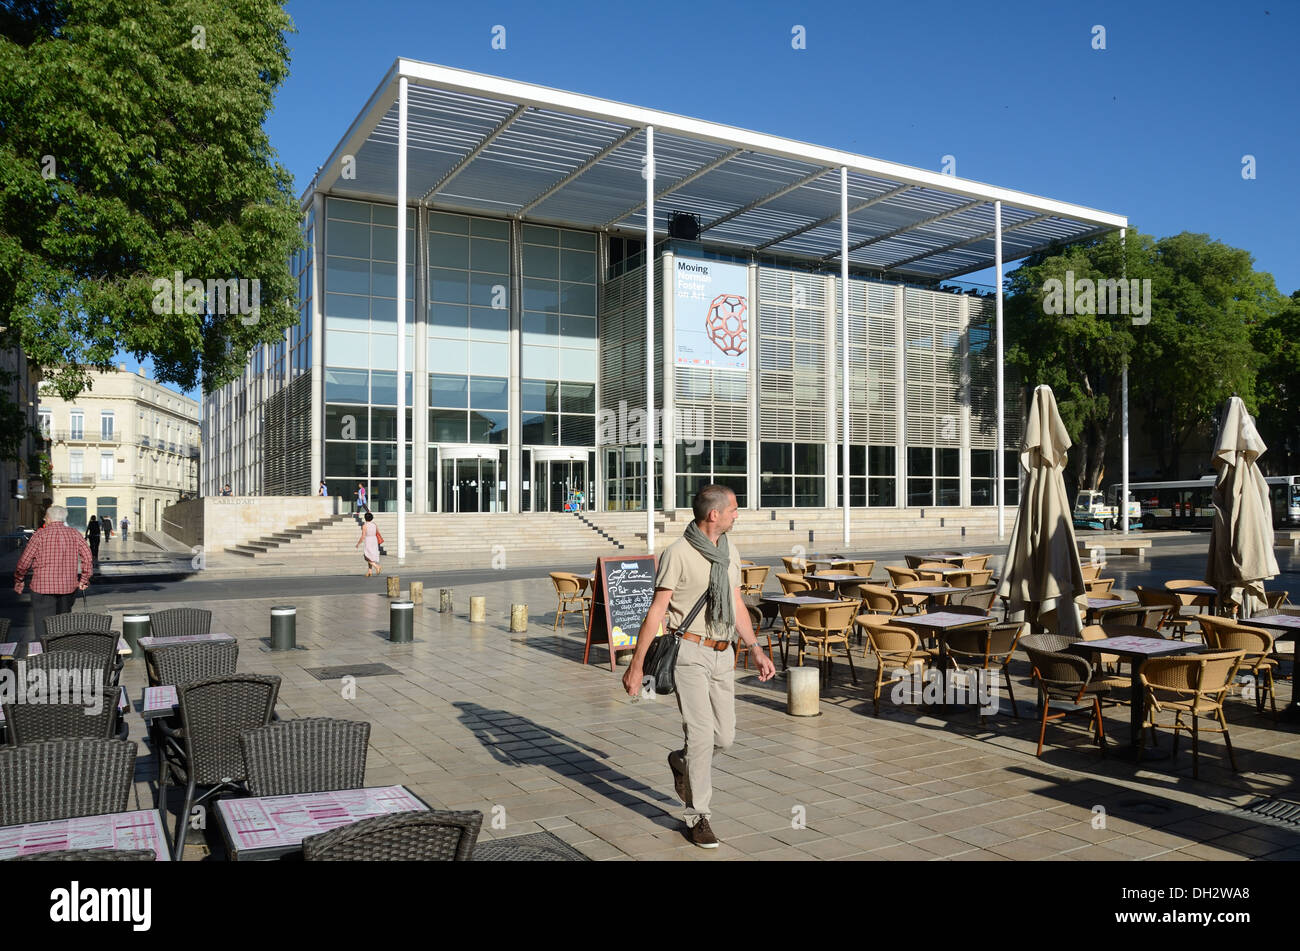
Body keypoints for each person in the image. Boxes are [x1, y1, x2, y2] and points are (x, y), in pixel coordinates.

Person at [622, 484, 774, 849]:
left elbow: (736, 602)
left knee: (725, 737)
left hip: (724, 653)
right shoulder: (677, 553)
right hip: (688, 653)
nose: (739, 514)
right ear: (714, 515)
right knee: (702, 735)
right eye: (735, 509)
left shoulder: (728, 550)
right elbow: (656, 611)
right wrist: (636, 665)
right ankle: (698, 816)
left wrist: (755, 648)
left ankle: (681, 762)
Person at [13, 504, 94, 643]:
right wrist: (84, 579)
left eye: (45, 518)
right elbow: (87, 556)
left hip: (42, 588)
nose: (45, 520)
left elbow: (24, 561)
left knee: (43, 627)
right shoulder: (74, 534)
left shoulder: (39, 535)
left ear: (49, 519)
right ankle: (61, 653)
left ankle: (45, 656)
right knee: (63, 626)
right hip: (67, 588)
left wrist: (19, 579)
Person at [355, 511, 381, 577]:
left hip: (368, 540)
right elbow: (377, 532)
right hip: (374, 540)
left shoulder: (364, 525)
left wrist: (358, 543)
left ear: (365, 518)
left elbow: (363, 535)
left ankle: (376, 566)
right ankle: (369, 571)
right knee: (370, 556)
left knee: (366, 556)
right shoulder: (374, 524)